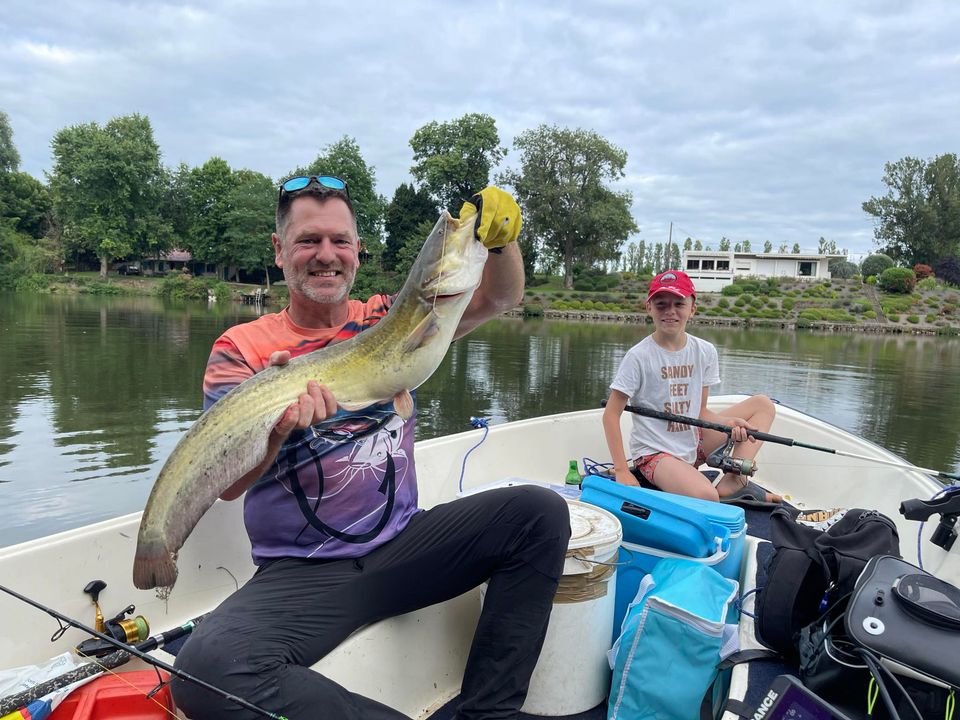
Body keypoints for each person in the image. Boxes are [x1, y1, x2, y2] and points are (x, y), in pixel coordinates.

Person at [171, 176, 571, 719]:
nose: (325, 255)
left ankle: (488, 712)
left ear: (358, 249)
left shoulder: (391, 316)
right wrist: (279, 427)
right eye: (308, 240)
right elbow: (227, 487)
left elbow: (503, 296)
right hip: (303, 571)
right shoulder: (241, 349)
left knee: (538, 513)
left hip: (404, 543)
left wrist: (500, 240)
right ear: (279, 249)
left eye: (339, 240)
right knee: (204, 671)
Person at [601, 269, 782, 506]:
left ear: (692, 309)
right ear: (649, 308)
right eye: (661, 304)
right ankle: (706, 486)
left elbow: (701, 413)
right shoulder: (638, 357)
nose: (670, 311)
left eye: (679, 303)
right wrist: (622, 471)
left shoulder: (705, 351)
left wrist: (727, 424)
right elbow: (611, 415)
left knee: (762, 405)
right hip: (655, 453)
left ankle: (733, 481)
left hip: (692, 440)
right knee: (707, 496)